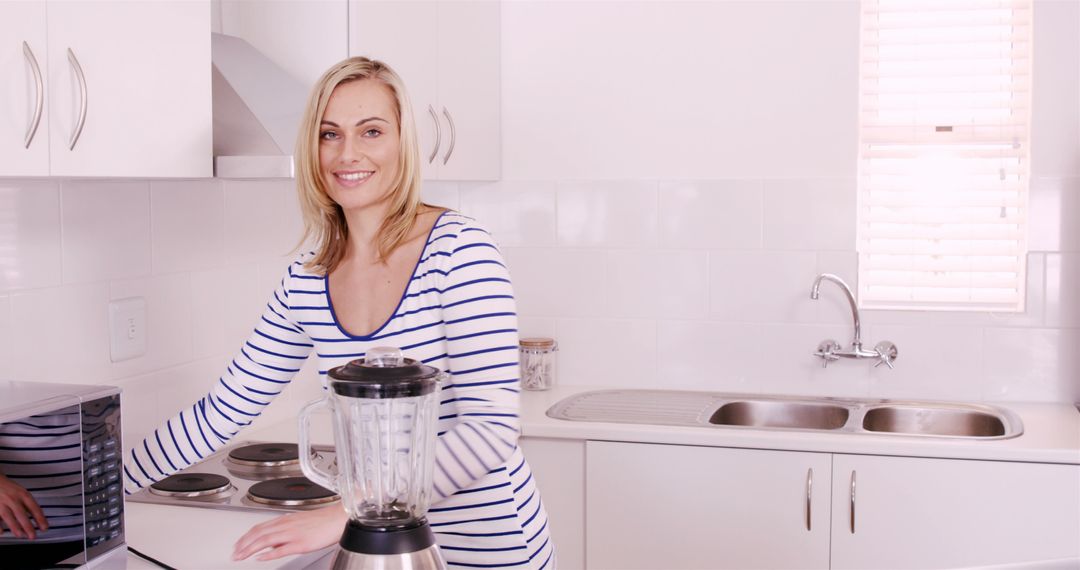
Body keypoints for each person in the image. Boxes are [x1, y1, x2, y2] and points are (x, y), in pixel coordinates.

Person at [123, 56, 555, 569]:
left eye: (370, 131)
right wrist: (98, 494)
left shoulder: (458, 250)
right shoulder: (307, 281)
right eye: (329, 134)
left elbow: (490, 427)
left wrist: (347, 511)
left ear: (403, 142)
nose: (347, 153)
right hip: (379, 550)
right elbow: (224, 408)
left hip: (488, 546)